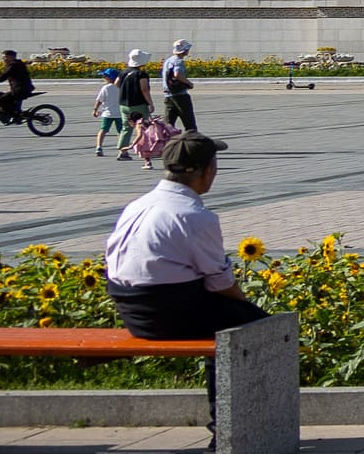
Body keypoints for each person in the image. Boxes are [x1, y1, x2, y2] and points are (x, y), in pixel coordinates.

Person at [102, 130, 270, 430]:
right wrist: (250, 310)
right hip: (168, 314)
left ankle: (228, 426)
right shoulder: (194, 215)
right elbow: (221, 283)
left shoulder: (137, 206)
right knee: (260, 330)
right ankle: (232, 429)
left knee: (228, 325)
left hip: (130, 311)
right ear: (207, 171)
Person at [0, 49, 36, 125]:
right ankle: (14, 114)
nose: (3, 59)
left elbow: (4, 76)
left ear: (11, 57)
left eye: (5, 57)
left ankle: (14, 117)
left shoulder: (14, 65)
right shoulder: (16, 64)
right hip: (20, 89)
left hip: (20, 90)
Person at [92, 67, 127, 159]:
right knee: (121, 132)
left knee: (103, 130)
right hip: (120, 114)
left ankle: (99, 147)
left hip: (107, 114)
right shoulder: (121, 87)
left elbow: (99, 100)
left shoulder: (105, 88)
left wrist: (95, 109)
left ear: (109, 78)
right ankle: (122, 149)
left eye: (105, 77)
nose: (103, 78)